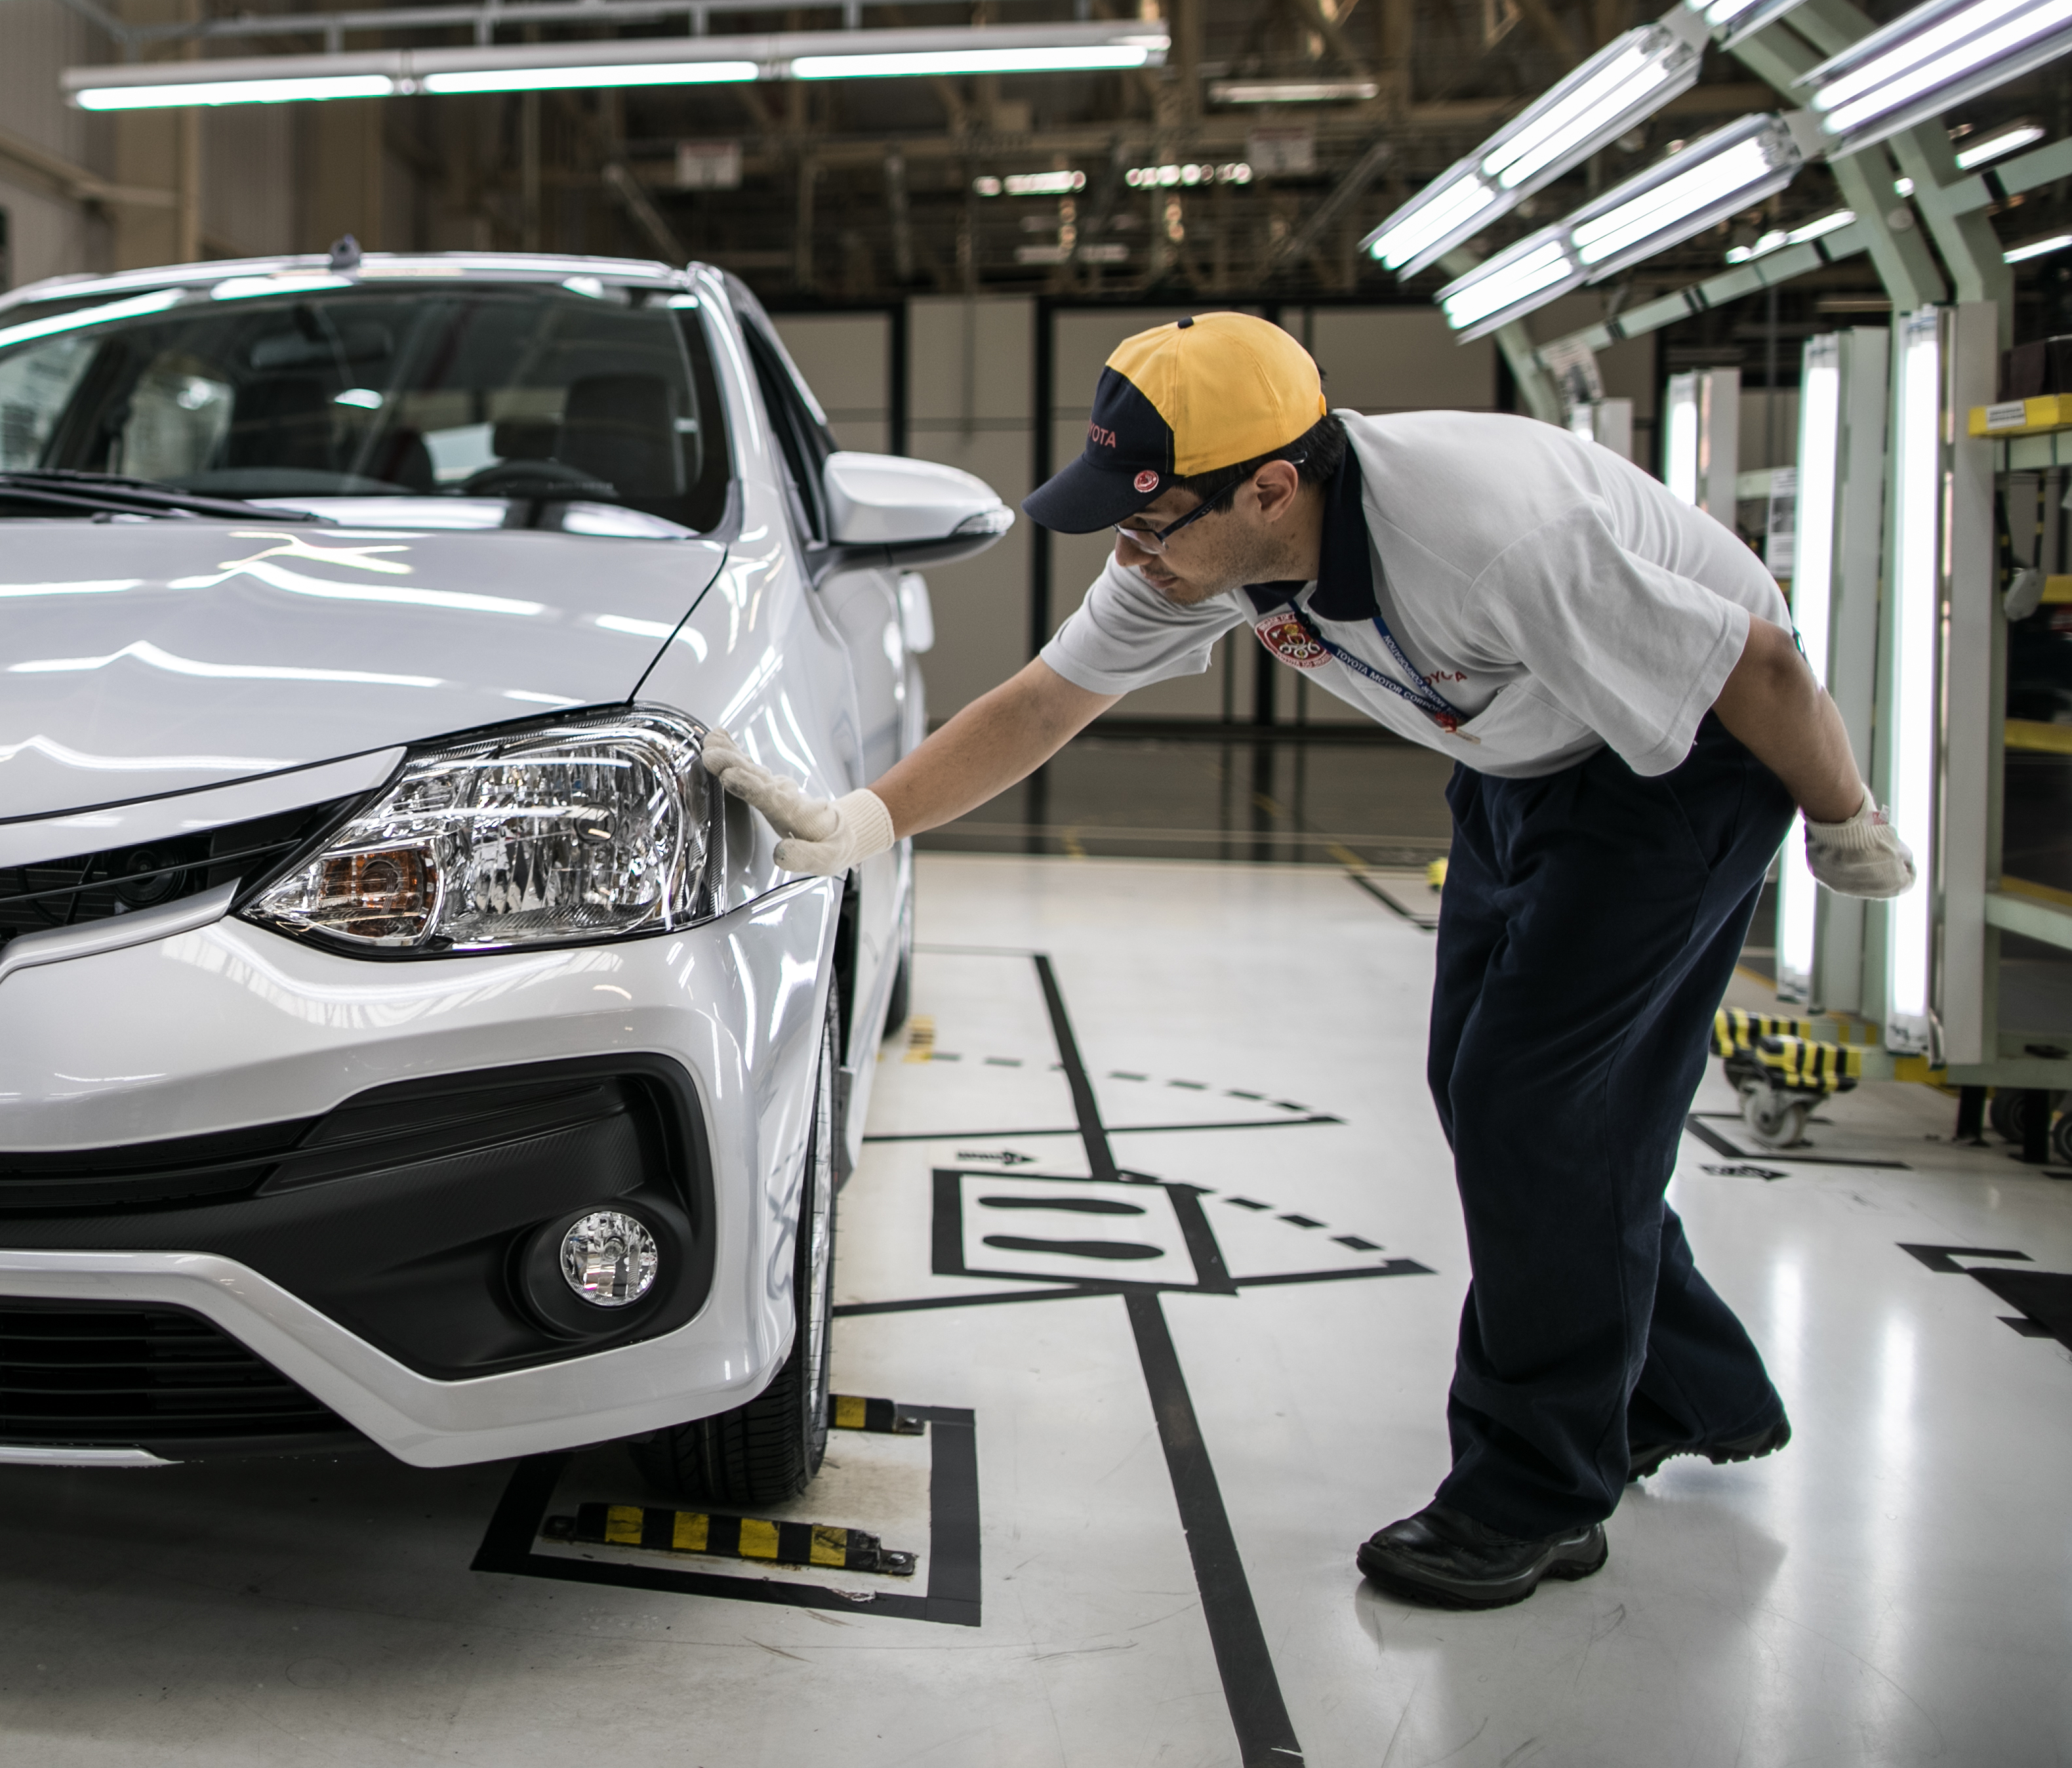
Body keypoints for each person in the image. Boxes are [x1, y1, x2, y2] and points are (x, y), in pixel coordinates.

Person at [706, 312, 1916, 1611]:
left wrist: (1843, 818)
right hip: (1523, 757)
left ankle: (1537, 1492)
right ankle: (1684, 1385)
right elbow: (1046, 700)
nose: (1131, 554)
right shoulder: (1201, 549)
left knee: (1535, 1105)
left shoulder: (1492, 534)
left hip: (1686, 759)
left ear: (1274, 487)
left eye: (1151, 523)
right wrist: (864, 821)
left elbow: (1760, 665)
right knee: (1494, 1095)